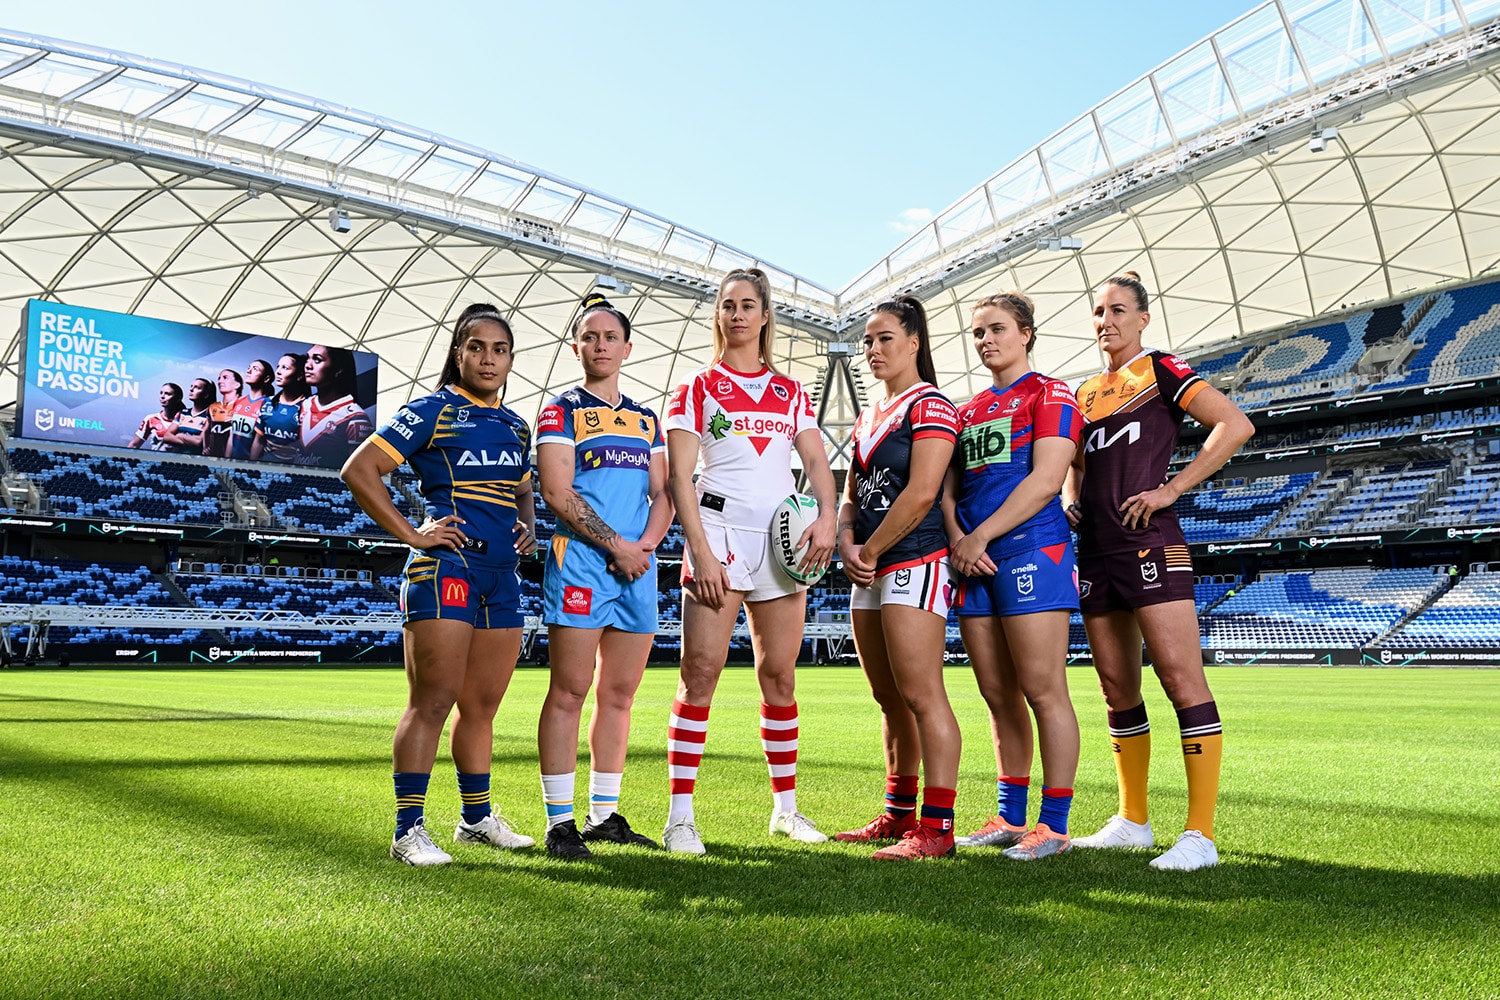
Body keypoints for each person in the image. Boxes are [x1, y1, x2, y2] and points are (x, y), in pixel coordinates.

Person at [1063, 271, 1254, 871]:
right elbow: (1076, 458)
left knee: (1179, 678)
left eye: (1118, 310)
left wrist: (1173, 487)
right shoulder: (1085, 390)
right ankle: (1133, 820)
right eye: (1098, 311)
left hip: (1152, 545)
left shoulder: (1164, 370)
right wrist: (1073, 491)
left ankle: (1200, 835)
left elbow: (1235, 425)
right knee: (1117, 687)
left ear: (1143, 318)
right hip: (1096, 550)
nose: (1106, 321)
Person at [341, 303, 540, 866]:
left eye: (500, 350)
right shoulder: (432, 410)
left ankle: (476, 819)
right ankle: (408, 831)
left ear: (509, 360)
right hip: (446, 570)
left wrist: (525, 521)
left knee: (481, 706)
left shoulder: (514, 425)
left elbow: (522, 484)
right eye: (477, 347)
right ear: (458, 352)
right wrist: (413, 534)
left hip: (502, 579)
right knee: (433, 701)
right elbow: (359, 469)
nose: (489, 358)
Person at [660, 267, 838, 854]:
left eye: (746, 305)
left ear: (765, 316)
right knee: (700, 674)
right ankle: (680, 817)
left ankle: (785, 810)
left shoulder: (792, 392)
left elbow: (816, 464)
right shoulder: (697, 388)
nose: (735, 314)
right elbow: (681, 477)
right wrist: (701, 552)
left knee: (780, 676)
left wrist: (828, 517)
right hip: (717, 533)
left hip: (781, 544)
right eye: (726, 305)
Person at [943, 292, 1083, 861]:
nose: (986, 340)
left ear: (1026, 333)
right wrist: (959, 538)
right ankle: (1010, 815)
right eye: (978, 333)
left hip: (1033, 551)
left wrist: (980, 536)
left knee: (1043, 689)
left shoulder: (1052, 393)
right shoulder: (968, 408)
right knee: (997, 694)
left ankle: (1055, 825)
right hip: (972, 559)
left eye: (997, 329)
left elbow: (1048, 479)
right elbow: (948, 489)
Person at [534, 294, 674, 860]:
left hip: (637, 567)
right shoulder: (560, 410)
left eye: (609, 336)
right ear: (575, 347)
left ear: (626, 347)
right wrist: (616, 545)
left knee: (620, 695)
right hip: (583, 562)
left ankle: (604, 815)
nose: (599, 345)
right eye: (589, 337)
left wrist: (642, 548)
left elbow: (662, 493)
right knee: (569, 691)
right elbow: (556, 491)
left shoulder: (647, 418)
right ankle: (559, 821)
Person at [833, 297, 963, 861]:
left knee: (921, 694)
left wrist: (871, 547)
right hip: (869, 566)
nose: (872, 349)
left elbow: (922, 492)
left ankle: (937, 829)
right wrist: (845, 540)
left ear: (914, 343)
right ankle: (897, 814)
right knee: (889, 699)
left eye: (885, 338)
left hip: (914, 558)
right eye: (867, 340)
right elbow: (849, 493)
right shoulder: (869, 414)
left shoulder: (930, 404)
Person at [302, 345, 372, 468]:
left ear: (338, 370)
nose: (308, 365)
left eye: (317, 359)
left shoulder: (355, 417)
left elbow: (356, 470)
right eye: (307, 359)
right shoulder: (304, 404)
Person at [251, 353, 309, 463]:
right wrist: (251, 467)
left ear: (300, 376)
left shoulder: (308, 406)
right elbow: (259, 441)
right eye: (278, 366)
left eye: (285, 368)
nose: (278, 371)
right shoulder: (267, 403)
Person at [229, 359, 274, 460]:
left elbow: (261, 441)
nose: (248, 371)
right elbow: (232, 435)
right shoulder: (239, 401)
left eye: (255, 369)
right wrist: (226, 460)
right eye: (249, 368)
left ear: (266, 379)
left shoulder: (269, 405)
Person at [157, 377, 213, 454]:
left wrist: (180, 435)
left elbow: (198, 442)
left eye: (197, 387)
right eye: (191, 386)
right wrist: (191, 441)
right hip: (176, 459)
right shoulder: (182, 413)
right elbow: (167, 437)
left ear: (206, 395)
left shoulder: (210, 416)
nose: (191, 390)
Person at [128, 383, 184, 450]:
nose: (162, 396)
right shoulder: (151, 419)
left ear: (178, 398)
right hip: (156, 459)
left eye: (167, 394)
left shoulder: (185, 420)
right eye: (161, 393)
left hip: (178, 460)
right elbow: (134, 445)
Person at [202, 368, 242, 458]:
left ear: (237, 384)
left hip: (234, 459)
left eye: (225, 378)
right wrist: (206, 448)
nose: (220, 381)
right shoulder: (212, 407)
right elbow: (206, 430)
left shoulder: (243, 406)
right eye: (219, 378)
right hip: (213, 458)